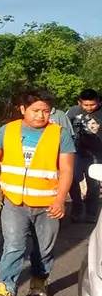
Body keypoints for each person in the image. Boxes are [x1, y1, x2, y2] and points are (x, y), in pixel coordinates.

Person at [0, 89, 75, 296]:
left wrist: (60, 199)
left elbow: (67, 169)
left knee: (43, 249)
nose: (41, 115)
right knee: (14, 246)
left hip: (47, 205)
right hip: (14, 203)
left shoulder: (60, 134)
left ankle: (39, 281)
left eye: (46, 111)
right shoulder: (7, 131)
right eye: (35, 110)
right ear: (22, 109)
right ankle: (6, 291)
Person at [67, 88, 102, 223]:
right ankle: (77, 206)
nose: (89, 107)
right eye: (85, 105)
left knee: (93, 182)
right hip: (76, 152)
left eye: (92, 104)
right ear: (79, 102)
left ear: (98, 102)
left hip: (97, 153)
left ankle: (91, 213)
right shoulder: (73, 112)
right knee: (72, 179)